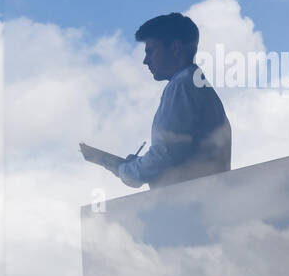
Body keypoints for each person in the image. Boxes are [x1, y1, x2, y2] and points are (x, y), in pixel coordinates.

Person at [94, 13, 232, 189]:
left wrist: (126, 171)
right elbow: (175, 153)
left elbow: (165, 153)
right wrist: (136, 165)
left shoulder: (181, 85)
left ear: (175, 48)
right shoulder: (198, 85)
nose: (145, 60)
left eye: (150, 51)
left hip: (188, 204)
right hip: (208, 199)